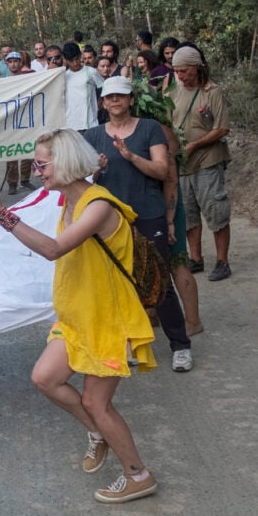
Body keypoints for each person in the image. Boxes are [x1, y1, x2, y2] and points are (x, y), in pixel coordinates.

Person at [0, 129, 158, 504]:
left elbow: (54, 249)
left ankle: (138, 475)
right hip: (78, 316)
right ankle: (97, 434)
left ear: (66, 162)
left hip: (108, 319)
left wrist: (1, 214)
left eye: (42, 164)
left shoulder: (98, 206)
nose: (37, 171)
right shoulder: (68, 202)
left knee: (97, 402)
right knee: (45, 378)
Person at [85, 76, 196, 372]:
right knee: (117, 283)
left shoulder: (149, 129)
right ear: (103, 103)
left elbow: (162, 170)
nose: (115, 101)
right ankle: (131, 343)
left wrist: (130, 156)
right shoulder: (93, 136)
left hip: (148, 213)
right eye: (110, 97)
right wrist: (96, 172)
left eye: (121, 96)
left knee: (158, 281)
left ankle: (180, 346)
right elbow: (82, 182)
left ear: (131, 99)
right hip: (109, 219)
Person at [169, 44, 233, 281]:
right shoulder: (172, 92)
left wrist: (195, 145)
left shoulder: (212, 92)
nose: (180, 75)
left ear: (197, 68)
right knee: (188, 213)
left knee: (216, 211)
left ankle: (222, 261)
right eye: (177, 71)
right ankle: (195, 258)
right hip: (183, 165)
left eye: (184, 70)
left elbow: (222, 127)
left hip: (208, 161)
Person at [3, 51, 36, 195]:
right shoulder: (3, 81)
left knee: (28, 148)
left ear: (20, 62)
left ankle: (25, 179)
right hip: (11, 119)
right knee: (11, 152)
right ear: (7, 63)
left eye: (16, 61)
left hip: (26, 117)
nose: (13, 64)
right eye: (10, 61)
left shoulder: (28, 78)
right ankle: (12, 182)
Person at [63, 42, 104, 131]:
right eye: (71, 61)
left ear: (80, 55)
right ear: (65, 60)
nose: (75, 63)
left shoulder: (91, 72)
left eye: (77, 59)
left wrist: (101, 101)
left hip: (90, 124)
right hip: (71, 126)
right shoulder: (64, 76)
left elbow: (104, 87)